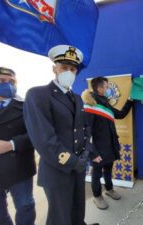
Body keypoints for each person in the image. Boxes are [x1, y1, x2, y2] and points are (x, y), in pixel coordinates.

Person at [23, 45, 99, 225]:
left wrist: (85, 155)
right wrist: (74, 161)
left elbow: (85, 129)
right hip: (57, 168)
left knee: (78, 210)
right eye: (64, 68)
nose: (69, 72)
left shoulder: (77, 98)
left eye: (72, 69)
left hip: (78, 167)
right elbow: (43, 138)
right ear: (54, 69)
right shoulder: (38, 94)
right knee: (60, 218)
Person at [81, 77, 133, 210]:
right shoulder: (89, 105)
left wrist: (130, 101)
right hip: (97, 149)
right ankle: (97, 196)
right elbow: (86, 134)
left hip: (110, 146)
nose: (108, 89)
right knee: (96, 174)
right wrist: (93, 153)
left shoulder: (106, 104)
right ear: (100, 89)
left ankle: (109, 189)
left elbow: (120, 114)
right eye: (107, 86)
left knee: (109, 170)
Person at [0, 67, 36, 225]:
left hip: (20, 167)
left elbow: (37, 134)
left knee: (26, 205)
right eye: (1, 81)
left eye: (12, 81)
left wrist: (11, 145)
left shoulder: (26, 106)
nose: (8, 85)